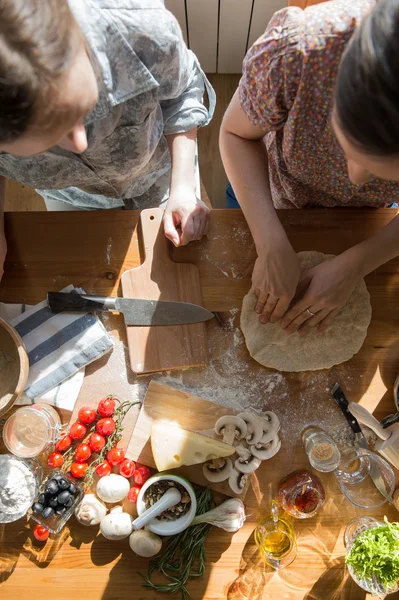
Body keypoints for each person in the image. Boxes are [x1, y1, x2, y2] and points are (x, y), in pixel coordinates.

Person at [0, 0, 215, 281]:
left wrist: (184, 187)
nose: (79, 143)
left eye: (82, 111)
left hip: (159, 176)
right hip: (69, 198)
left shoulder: (139, 28)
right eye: (49, 139)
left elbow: (183, 91)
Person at [220, 0, 399, 336]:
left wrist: (357, 264)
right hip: (271, 191)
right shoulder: (299, 54)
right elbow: (235, 135)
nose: (356, 179)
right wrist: (269, 242)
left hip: (368, 222)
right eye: (348, 147)